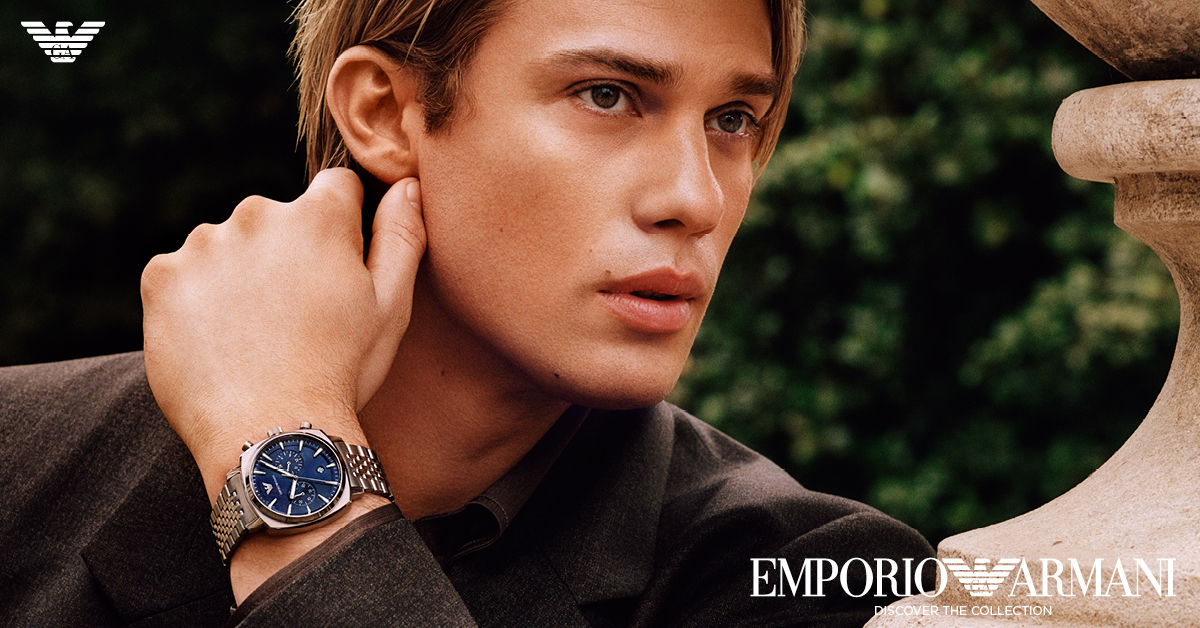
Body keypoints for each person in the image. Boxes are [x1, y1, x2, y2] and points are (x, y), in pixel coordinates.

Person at [0, 0, 934, 625]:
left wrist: (279, 440)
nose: (697, 197)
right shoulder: (17, 451)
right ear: (385, 114)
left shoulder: (813, 575)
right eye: (607, 95)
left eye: (732, 119)